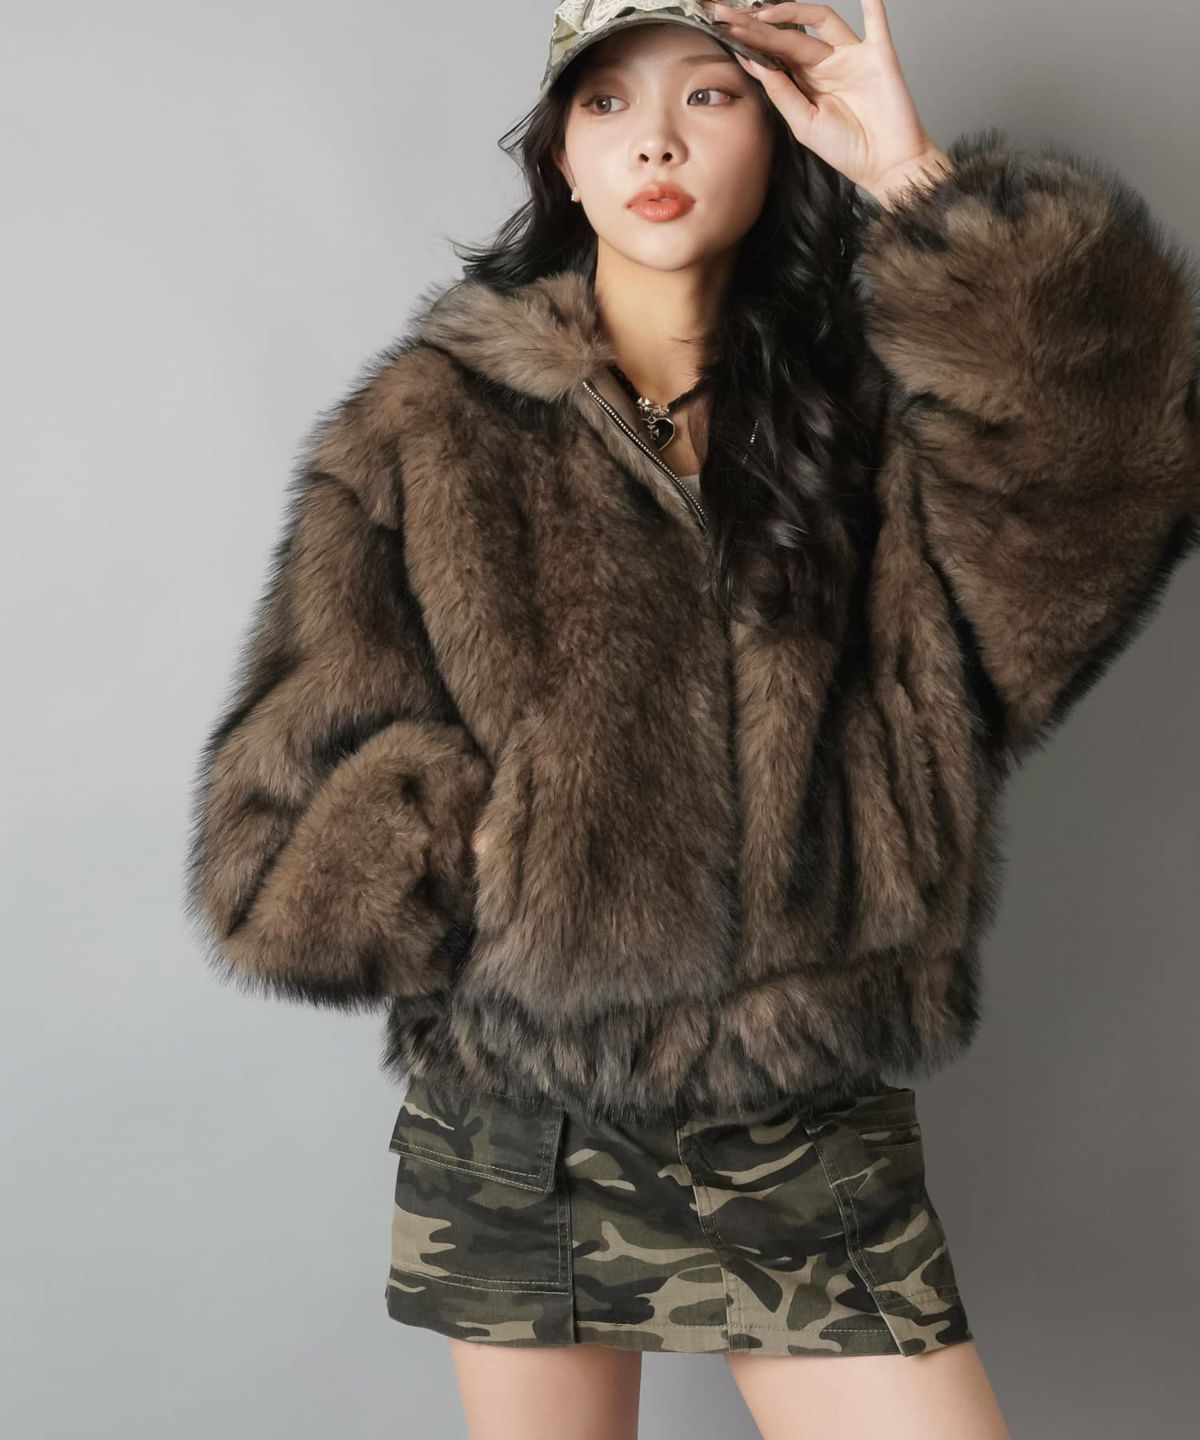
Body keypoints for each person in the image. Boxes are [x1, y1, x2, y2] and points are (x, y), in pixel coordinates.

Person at [182, 2, 1200, 1436]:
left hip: (803, 1110)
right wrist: (472, 842)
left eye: (710, 96)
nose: (654, 140)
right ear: (560, 156)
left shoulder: (877, 407)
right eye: (607, 102)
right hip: (525, 1126)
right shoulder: (433, 421)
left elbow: (1104, 490)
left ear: (778, 134)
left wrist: (911, 177)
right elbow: (276, 830)